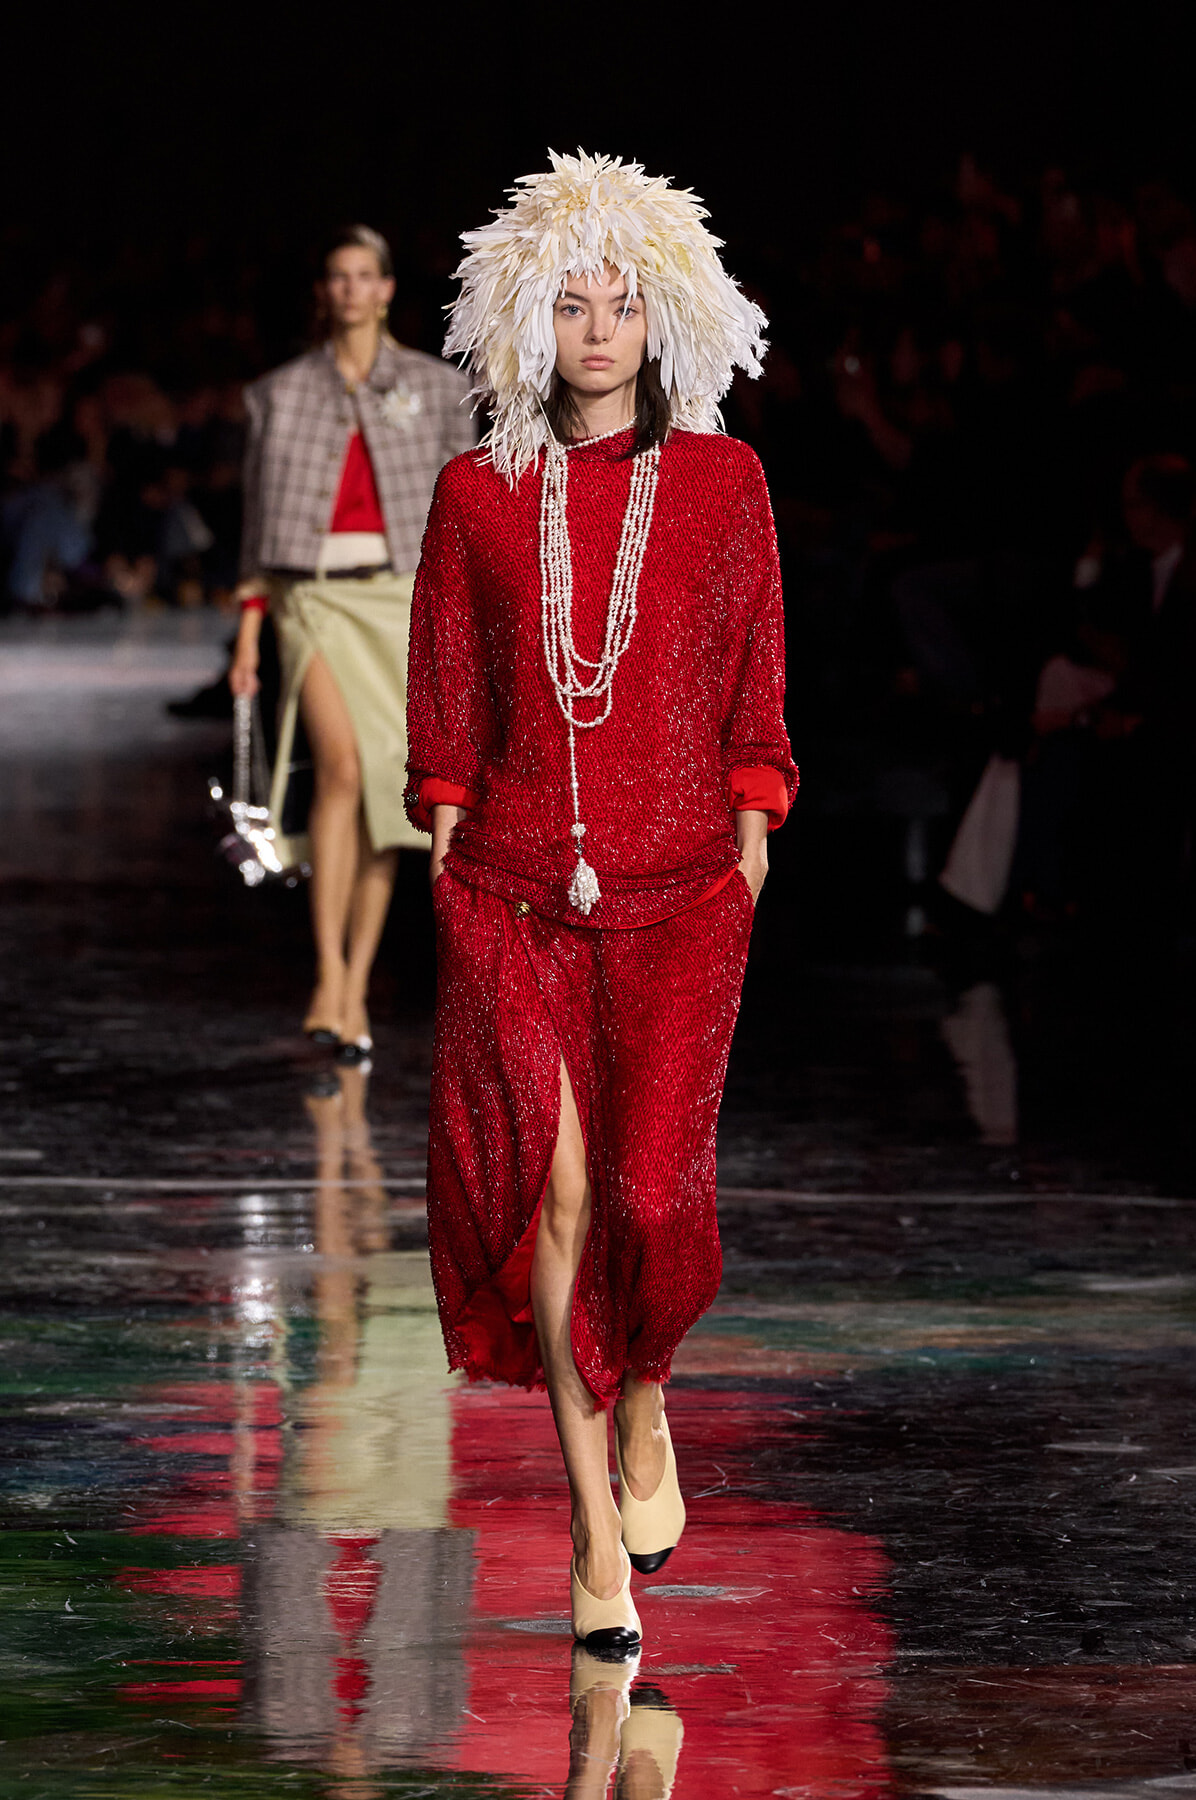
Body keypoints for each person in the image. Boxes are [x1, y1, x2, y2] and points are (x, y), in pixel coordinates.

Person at [406, 153, 796, 1654]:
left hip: (687, 886)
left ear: (664, 315)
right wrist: (443, 836)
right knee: (561, 1194)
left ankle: (644, 1399)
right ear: (525, 320)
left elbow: (754, 671)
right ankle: (590, 1532)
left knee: (650, 1197)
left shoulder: (724, 484)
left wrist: (754, 832)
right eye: (567, 303)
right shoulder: (480, 494)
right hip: (512, 890)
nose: (596, 327)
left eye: (621, 301)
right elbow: (447, 683)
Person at [230, 225, 474, 1056]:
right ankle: (327, 972)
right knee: (339, 765)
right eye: (337, 275)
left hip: (402, 596)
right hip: (313, 599)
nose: (350, 289)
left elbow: (467, 512)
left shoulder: (437, 388)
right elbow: (258, 530)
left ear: (386, 290)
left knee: (383, 793)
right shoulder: (279, 393)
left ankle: (356, 980)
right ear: (324, 291)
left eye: (365, 275)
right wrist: (248, 637)